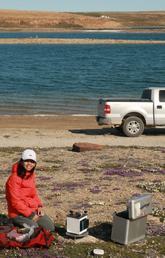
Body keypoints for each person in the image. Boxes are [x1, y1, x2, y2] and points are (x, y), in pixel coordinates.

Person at [6, 149, 55, 232]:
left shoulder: (31, 175)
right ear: (21, 162)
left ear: (35, 164)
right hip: (17, 213)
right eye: (26, 161)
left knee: (50, 227)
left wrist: (39, 206)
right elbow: (15, 201)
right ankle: (14, 227)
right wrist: (31, 215)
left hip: (32, 209)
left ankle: (25, 226)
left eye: (32, 161)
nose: (29, 164)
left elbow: (34, 193)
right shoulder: (14, 178)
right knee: (34, 230)